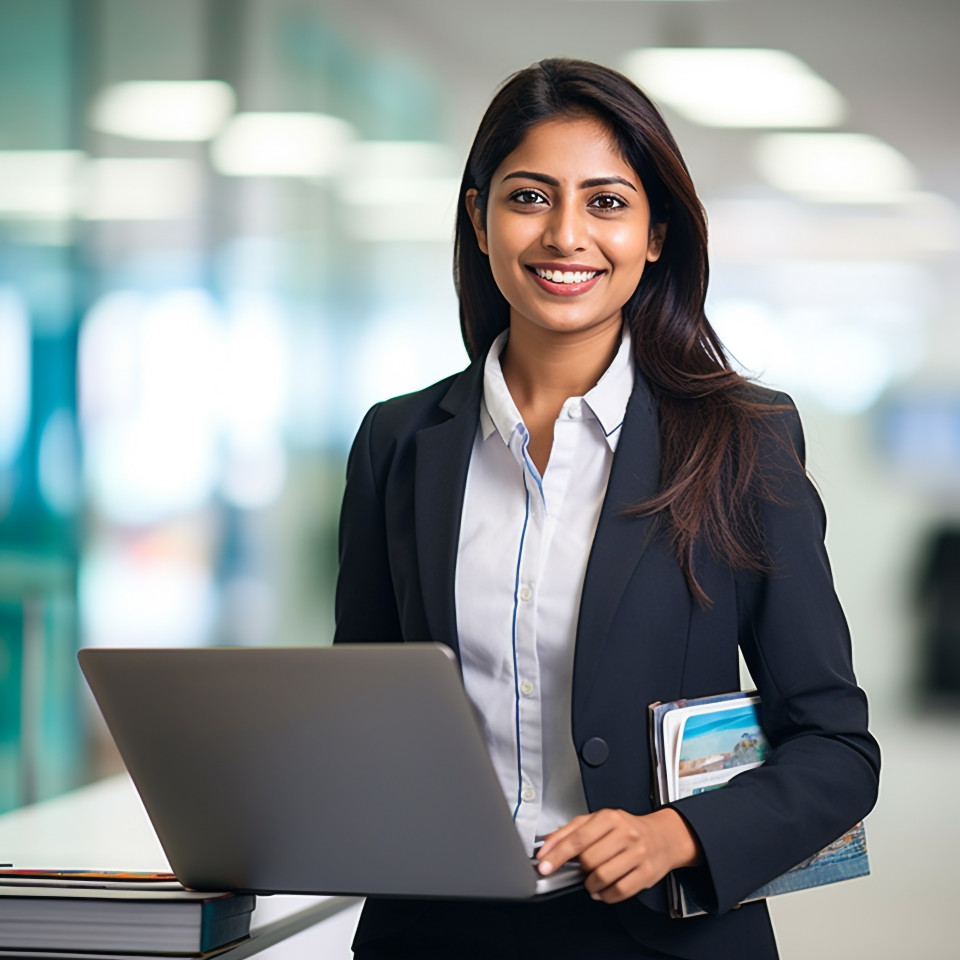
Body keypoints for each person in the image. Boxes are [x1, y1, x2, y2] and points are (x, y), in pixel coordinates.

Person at [334, 58, 880, 960]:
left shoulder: (740, 440)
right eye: (529, 197)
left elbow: (836, 750)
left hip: (659, 932)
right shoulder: (397, 442)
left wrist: (678, 835)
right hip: (434, 929)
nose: (565, 235)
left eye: (607, 203)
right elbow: (362, 711)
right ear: (478, 219)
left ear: (655, 234)